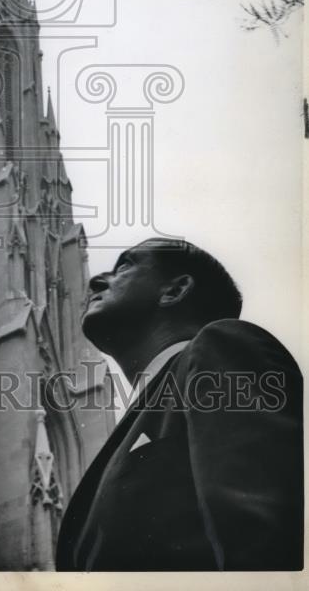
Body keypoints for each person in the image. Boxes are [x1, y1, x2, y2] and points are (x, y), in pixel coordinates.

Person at [55, 237, 303, 571]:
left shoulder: (223, 347)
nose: (97, 280)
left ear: (174, 291)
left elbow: (265, 541)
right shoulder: (143, 414)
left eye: (125, 265)